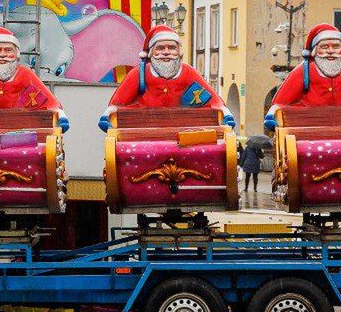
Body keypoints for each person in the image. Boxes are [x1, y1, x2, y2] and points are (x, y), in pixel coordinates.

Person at [102, 25, 231, 124]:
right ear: (151, 52)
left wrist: (225, 112)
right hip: (145, 128)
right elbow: (118, 102)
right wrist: (107, 115)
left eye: (171, 47)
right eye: (160, 48)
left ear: (179, 51)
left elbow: (213, 99)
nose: (166, 52)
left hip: (182, 130)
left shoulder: (188, 72)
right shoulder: (140, 73)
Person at [266, 24, 341, 129]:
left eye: (336, 46)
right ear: (315, 50)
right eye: (324, 47)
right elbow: (281, 101)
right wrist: (273, 114)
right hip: (308, 132)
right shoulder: (304, 71)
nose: (330, 51)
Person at [238, 135, 266, 201]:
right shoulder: (258, 149)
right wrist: (261, 152)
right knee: (255, 177)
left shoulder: (247, 148)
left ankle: (246, 188)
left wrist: (241, 164)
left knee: (247, 177)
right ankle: (255, 188)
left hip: (248, 164)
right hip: (255, 164)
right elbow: (262, 157)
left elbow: (244, 156)